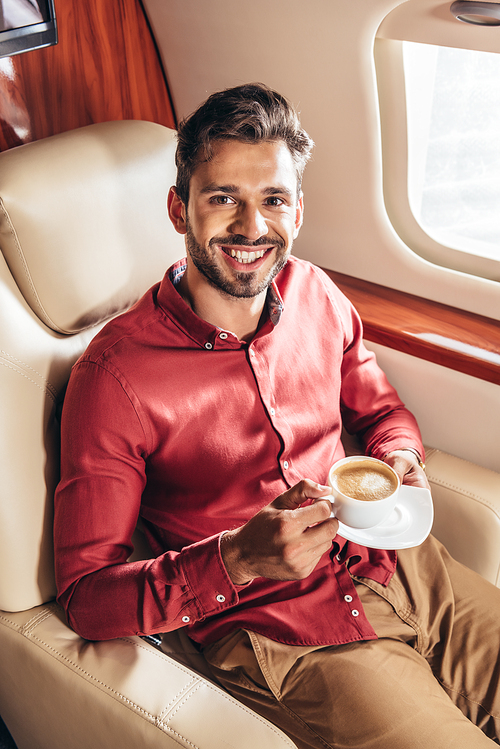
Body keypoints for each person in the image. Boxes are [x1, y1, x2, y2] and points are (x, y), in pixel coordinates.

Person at [54, 83, 500, 748]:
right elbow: (88, 595)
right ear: (180, 209)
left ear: (298, 209)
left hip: (409, 566)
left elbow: (379, 410)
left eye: (272, 199)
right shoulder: (114, 376)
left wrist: (401, 455)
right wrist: (234, 557)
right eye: (223, 197)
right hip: (282, 633)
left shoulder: (317, 292)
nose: (251, 226)